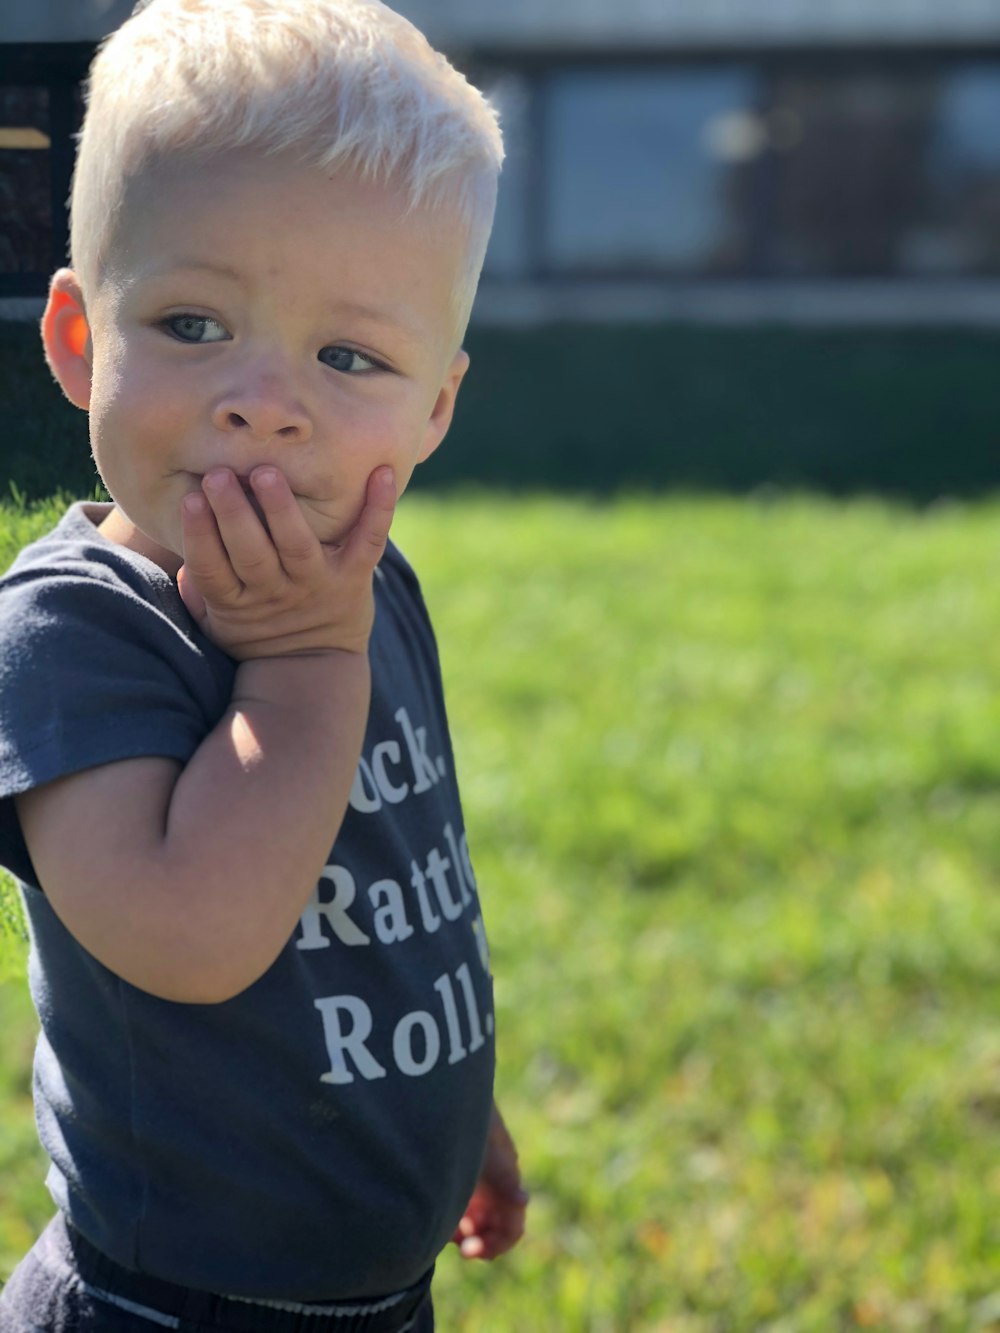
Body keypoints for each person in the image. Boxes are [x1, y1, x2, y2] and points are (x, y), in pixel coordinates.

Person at [0, 0, 527, 1328]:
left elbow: (397, 887)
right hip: (168, 1302)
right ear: (78, 340)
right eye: (190, 324)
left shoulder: (368, 588)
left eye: (350, 357)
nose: (264, 399)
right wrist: (298, 657)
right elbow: (193, 935)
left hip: (375, 1282)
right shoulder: (73, 631)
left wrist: (441, 1096)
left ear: (436, 408)